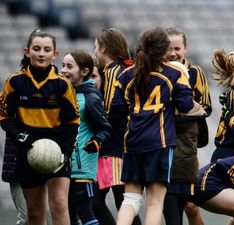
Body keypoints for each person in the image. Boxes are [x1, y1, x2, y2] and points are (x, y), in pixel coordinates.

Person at [115, 26, 199, 225]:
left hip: (132, 142)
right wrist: (184, 77)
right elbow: (186, 105)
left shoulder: (126, 75)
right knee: (154, 203)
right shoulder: (173, 74)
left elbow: (116, 109)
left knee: (130, 200)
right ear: (165, 51)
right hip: (159, 145)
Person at [0, 29, 80, 225]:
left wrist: (66, 152)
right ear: (27, 52)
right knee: (34, 212)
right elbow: (4, 116)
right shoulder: (15, 82)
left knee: (60, 204)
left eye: (46, 50)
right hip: (28, 153)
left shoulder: (62, 85)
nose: (41, 53)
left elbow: (73, 122)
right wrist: (19, 136)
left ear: (55, 54)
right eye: (37, 49)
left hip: (57, 153)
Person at [92, 27, 142, 225]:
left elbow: (109, 112)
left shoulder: (114, 71)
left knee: (116, 201)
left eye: (95, 47)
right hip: (119, 145)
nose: (95, 51)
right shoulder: (125, 70)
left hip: (115, 147)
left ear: (103, 48)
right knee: (121, 201)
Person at [163, 27, 212, 225]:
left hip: (186, 144)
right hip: (162, 140)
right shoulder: (157, 72)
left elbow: (207, 107)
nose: (173, 53)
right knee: (167, 199)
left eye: (177, 48)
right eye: (168, 48)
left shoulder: (195, 72)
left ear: (186, 48)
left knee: (185, 203)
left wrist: (184, 110)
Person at [61, 49, 112, 225]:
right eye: (63, 65)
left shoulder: (90, 97)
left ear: (84, 72)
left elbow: (105, 128)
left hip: (82, 167)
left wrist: (96, 141)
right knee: (69, 213)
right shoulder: (64, 93)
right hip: (63, 165)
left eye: (69, 66)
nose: (63, 70)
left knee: (85, 212)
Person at [2, 135, 28, 225]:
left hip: (39, 169)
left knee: (38, 214)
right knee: (25, 217)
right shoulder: (9, 122)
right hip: (16, 168)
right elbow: (7, 124)